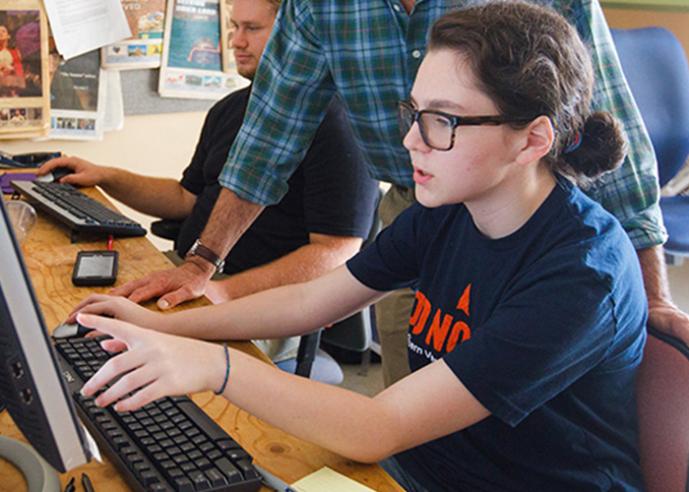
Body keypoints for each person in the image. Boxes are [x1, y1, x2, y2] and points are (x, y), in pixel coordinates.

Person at [75, 3, 646, 489]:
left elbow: (377, 427)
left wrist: (212, 366)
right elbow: (310, 304)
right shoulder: (446, 214)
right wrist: (159, 327)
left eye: (440, 121)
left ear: (533, 139)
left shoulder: (580, 275)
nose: (408, 141)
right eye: (412, 114)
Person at [40, 0, 379, 360]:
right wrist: (107, 176)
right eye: (234, 27)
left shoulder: (338, 125)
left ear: (294, 36)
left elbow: (336, 253)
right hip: (190, 274)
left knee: (115, 356)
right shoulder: (230, 108)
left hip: (257, 302)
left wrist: (226, 292)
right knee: (68, 316)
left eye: (252, 29)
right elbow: (186, 198)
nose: (235, 41)